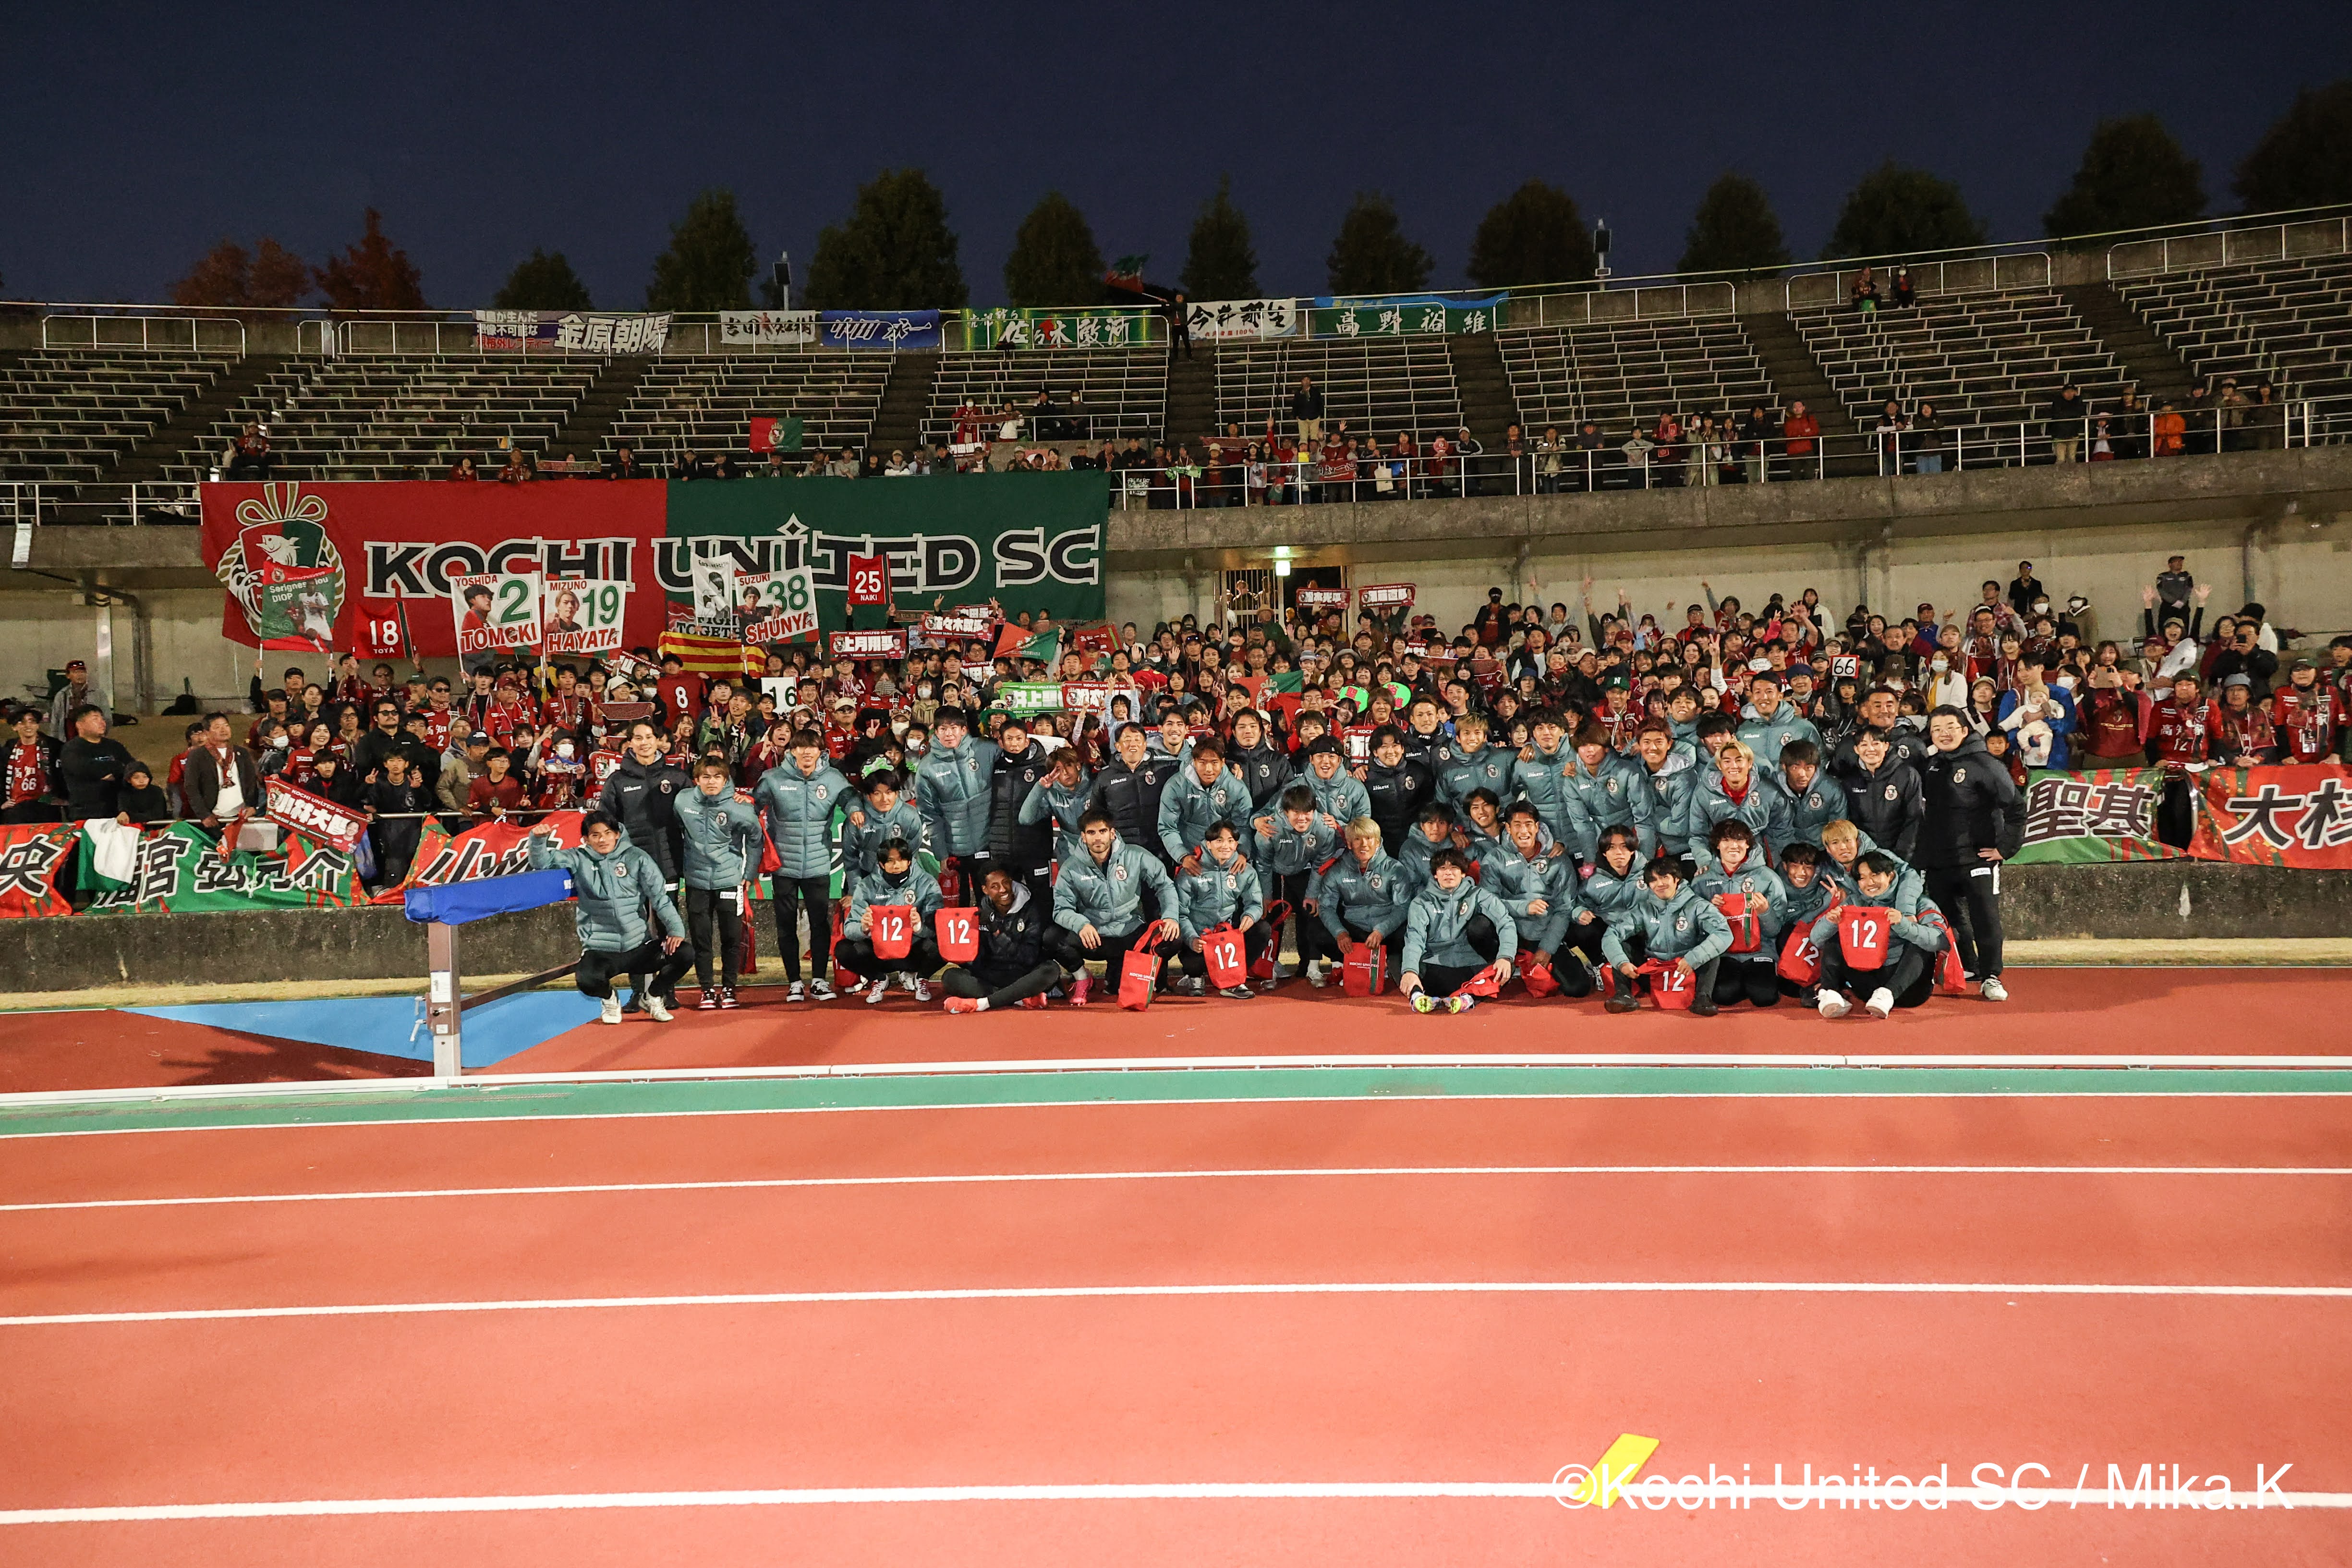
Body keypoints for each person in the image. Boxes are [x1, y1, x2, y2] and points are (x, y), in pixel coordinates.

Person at [526, 812, 693, 1025]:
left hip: (638, 947)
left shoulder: (637, 857)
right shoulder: (578, 858)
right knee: (586, 980)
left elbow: (660, 899)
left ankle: (652, 996)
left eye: (607, 833)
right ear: (586, 839)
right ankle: (610, 999)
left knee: (685, 953)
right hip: (601, 950)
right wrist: (538, 840)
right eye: (595, 835)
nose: (602, 839)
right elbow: (542, 862)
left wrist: (675, 930)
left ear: (617, 834)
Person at [1916, 705, 2024, 1001]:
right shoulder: (1933, 764)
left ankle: (1992, 976)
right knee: (1948, 919)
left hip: (1978, 858)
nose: (1944, 734)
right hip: (1940, 860)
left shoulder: (1986, 764)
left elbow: (2016, 807)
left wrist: (2005, 848)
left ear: (1965, 730)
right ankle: (1969, 966)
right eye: (1937, 729)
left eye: (1950, 727)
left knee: (1985, 919)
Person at [755, 727, 852, 1002]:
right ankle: (794, 983)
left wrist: (855, 810)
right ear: (792, 751)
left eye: (812, 747)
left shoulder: (833, 778)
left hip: (818, 865)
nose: (807, 752)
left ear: (821, 752)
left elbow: (850, 799)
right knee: (785, 925)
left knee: (820, 924)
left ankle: (819, 980)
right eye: (801, 747)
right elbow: (753, 804)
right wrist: (743, 802)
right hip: (783, 865)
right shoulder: (773, 778)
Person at [1050, 807, 1181, 1006]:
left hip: (1130, 934)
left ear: (1112, 833)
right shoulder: (1071, 868)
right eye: (1091, 833)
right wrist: (1081, 924)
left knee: (1173, 937)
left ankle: (1140, 973)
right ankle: (1082, 977)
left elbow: (1165, 885)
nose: (1098, 838)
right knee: (1051, 937)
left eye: (1102, 831)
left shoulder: (1136, 855)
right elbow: (1061, 910)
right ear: (1083, 837)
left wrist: (1170, 916)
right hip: (1095, 938)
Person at [1811, 851, 1947, 1019]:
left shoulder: (1920, 903)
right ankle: (1830, 993)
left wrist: (1905, 925)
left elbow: (1940, 941)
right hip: (1868, 987)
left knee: (1920, 943)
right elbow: (1816, 940)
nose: (1869, 883)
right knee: (1834, 937)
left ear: (1890, 875)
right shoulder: (1854, 902)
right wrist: (1831, 922)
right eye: (1862, 878)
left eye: (1875, 875)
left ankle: (1888, 993)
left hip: (1910, 989)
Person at [673, 755, 763, 1009]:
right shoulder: (682, 801)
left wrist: (749, 874)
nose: (711, 782)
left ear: (726, 780)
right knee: (701, 940)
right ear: (697, 780)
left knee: (731, 939)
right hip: (696, 881)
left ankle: (729, 988)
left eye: (717, 777)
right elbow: (677, 829)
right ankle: (707, 990)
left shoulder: (739, 807)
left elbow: (756, 839)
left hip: (729, 880)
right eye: (706, 777)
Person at [1601, 855, 1732, 1016]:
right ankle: (1624, 996)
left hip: (1688, 968)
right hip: (1655, 970)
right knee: (1624, 946)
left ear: (1676, 879)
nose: (1660, 884)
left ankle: (1703, 998)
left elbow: (1724, 933)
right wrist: (1622, 963)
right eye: (1653, 880)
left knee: (1710, 954)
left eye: (1664, 877)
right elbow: (1611, 934)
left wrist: (1693, 958)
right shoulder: (1643, 909)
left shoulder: (1698, 906)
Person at [1397, 847, 1516, 1014]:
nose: (1448, 873)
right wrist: (1410, 971)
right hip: (1436, 967)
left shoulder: (1478, 895)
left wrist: (1505, 957)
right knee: (1400, 962)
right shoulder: (1421, 902)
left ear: (1463, 873)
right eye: (1442, 869)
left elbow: (1506, 922)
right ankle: (1419, 996)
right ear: (1435, 875)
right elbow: (1415, 939)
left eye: (1454, 868)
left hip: (1469, 965)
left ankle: (1467, 999)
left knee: (1505, 967)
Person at [940, 864, 1067, 1014]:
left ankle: (983, 1004)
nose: (1003, 890)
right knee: (950, 977)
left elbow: (1028, 957)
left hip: (1022, 974)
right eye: (995, 886)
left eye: (1006, 883)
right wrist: (964, 957)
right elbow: (977, 961)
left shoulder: (1031, 910)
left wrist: (997, 932)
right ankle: (1018, 998)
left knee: (1051, 969)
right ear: (985, 890)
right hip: (993, 975)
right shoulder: (980, 912)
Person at [836, 836, 946, 1005]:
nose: (896, 866)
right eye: (890, 861)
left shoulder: (927, 883)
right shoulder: (866, 886)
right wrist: (864, 928)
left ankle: (922, 978)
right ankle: (878, 979)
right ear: (881, 864)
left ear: (910, 861)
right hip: (878, 952)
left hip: (913, 951)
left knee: (945, 943)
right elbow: (850, 929)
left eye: (901, 860)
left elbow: (937, 927)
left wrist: (919, 926)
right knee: (843, 949)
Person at [1167, 822, 1266, 998]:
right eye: (1219, 841)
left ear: (1236, 845)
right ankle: (1195, 977)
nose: (1225, 846)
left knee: (1262, 929)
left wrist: (1250, 916)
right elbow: (1180, 913)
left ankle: (1234, 977)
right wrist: (1192, 939)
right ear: (1209, 844)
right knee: (1189, 955)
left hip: (1226, 937)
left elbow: (1256, 904)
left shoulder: (1245, 870)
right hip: (1200, 936)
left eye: (1230, 841)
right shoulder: (1191, 870)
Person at [914, 706, 999, 895]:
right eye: (943, 729)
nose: (949, 734)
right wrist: (942, 854)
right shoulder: (927, 768)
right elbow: (931, 815)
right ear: (936, 732)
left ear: (963, 730)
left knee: (991, 897)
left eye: (954, 728)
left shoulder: (986, 749)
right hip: (956, 849)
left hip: (990, 842)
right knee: (962, 900)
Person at [59, 704, 136, 823]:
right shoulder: (72, 749)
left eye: (103, 719)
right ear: (80, 725)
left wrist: (113, 771)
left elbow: (133, 769)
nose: (102, 723)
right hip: (86, 812)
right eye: (95, 719)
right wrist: (117, 767)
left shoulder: (115, 746)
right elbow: (84, 769)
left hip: (118, 812)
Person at [3, 708, 62, 824]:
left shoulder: (53, 746)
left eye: (32, 721)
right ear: (14, 727)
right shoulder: (8, 749)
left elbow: (63, 774)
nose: (28, 725)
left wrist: (64, 799)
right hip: (17, 807)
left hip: (46, 806)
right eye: (22, 722)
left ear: (38, 725)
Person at [1292, 375, 1324, 446]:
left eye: (1308, 380)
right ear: (1302, 382)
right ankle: (1304, 452)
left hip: (1315, 417)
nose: (1306, 382)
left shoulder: (1316, 392)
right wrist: (1296, 415)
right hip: (1302, 418)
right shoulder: (1298, 393)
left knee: (1315, 438)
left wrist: (1320, 415)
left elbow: (1320, 403)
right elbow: (1295, 405)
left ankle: (1315, 451)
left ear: (1310, 381)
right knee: (1303, 439)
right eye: (1304, 380)